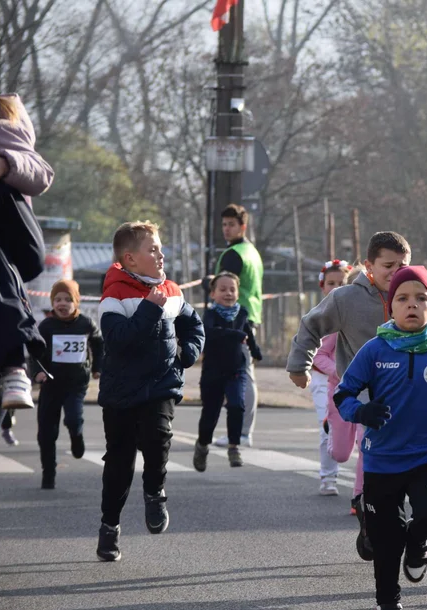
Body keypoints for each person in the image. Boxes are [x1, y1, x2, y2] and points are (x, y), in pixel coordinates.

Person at [287, 231, 427, 557]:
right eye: (388, 265)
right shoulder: (346, 298)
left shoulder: (414, 292)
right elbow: (310, 325)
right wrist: (299, 366)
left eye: (403, 264)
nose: (396, 272)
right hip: (357, 395)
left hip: (405, 398)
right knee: (352, 451)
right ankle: (364, 498)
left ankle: (375, 512)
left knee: (390, 456)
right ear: (368, 266)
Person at [333, 266, 427, 610]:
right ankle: (388, 605)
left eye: (421, 298)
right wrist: (361, 410)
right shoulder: (375, 350)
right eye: (402, 299)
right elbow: (344, 393)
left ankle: (417, 544)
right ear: (391, 308)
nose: (412, 305)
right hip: (381, 460)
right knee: (385, 538)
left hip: (426, 456)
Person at [96, 221, 204, 562]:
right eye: (152, 249)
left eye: (160, 248)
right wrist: (150, 308)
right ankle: (109, 527)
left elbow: (193, 325)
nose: (160, 254)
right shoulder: (114, 294)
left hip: (161, 385)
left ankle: (155, 492)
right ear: (129, 259)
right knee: (119, 462)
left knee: (159, 437)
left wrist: (187, 353)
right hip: (121, 391)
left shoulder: (171, 290)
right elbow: (118, 339)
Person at [0, 90, 54, 410]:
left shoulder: (3, 116)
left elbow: (41, 173)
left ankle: (15, 362)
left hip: (9, 240)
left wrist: (3, 164)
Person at [31, 279, 102, 489]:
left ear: (76, 302)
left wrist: (98, 367)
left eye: (67, 299)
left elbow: (99, 344)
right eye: (58, 300)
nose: (62, 304)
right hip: (51, 384)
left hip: (76, 383)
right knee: (46, 431)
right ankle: (48, 473)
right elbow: (34, 354)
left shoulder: (86, 323)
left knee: (73, 418)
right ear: (52, 303)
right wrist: (37, 373)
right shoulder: (46, 326)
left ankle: (76, 436)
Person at [192, 271, 262, 472]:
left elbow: (248, 333)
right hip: (213, 371)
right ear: (212, 294)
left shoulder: (242, 313)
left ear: (238, 293)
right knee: (210, 414)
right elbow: (211, 334)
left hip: (236, 369)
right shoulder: (210, 314)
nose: (228, 293)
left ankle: (233, 447)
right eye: (222, 289)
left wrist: (256, 351)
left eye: (232, 289)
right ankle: (202, 446)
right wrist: (236, 335)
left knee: (237, 405)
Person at [308, 259, 361, 497]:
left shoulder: (353, 311)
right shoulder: (321, 313)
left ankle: (363, 490)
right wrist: (338, 372)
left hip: (356, 384)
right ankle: (328, 477)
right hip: (324, 380)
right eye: (331, 283)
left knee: (364, 438)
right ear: (322, 286)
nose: (336, 287)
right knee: (325, 431)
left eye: (342, 282)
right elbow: (318, 354)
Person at [213, 204, 263, 448]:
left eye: (231, 224)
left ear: (243, 226)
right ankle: (242, 431)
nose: (226, 229)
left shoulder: (233, 254)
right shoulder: (251, 251)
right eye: (224, 224)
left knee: (240, 376)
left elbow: (224, 286)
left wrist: (208, 284)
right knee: (242, 375)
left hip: (236, 320)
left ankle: (242, 433)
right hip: (250, 316)